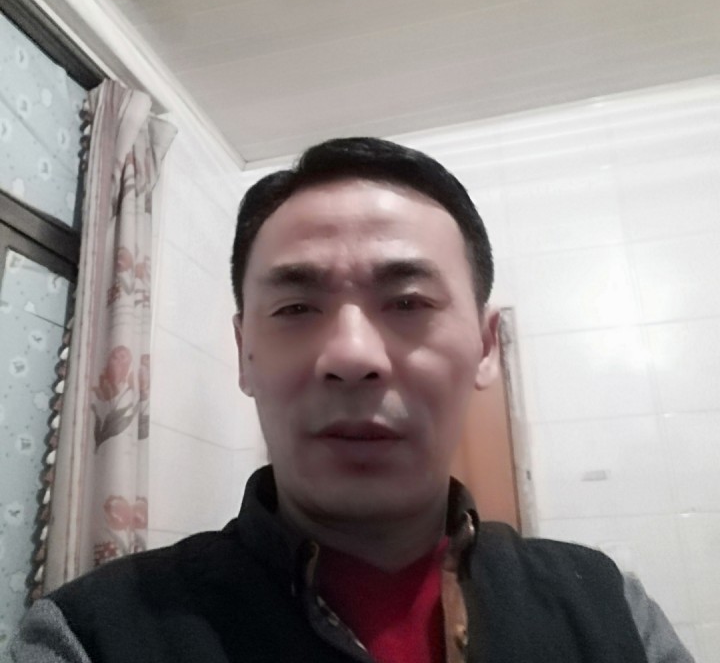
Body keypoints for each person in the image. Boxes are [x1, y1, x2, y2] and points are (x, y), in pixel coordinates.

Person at [12, 137, 693, 663]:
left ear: (487, 348)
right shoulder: (90, 637)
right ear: (245, 354)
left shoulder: (610, 610)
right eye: (296, 307)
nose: (351, 355)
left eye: (408, 302)